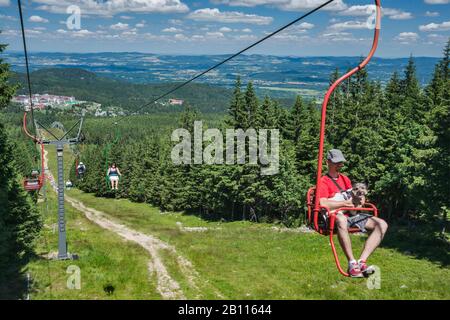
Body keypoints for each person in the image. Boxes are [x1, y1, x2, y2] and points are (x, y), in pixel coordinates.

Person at [318, 149, 388, 278]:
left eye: (341, 162)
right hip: (336, 215)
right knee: (341, 219)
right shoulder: (323, 181)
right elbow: (323, 203)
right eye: (336, 162)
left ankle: (361, 262)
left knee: (382, 224)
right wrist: (344, 204)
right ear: (328, 162)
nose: (339, 165)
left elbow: (354, 201)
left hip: (350, 214)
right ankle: (352, 264)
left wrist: (360, 199)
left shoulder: (345, 179)